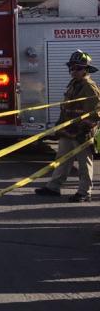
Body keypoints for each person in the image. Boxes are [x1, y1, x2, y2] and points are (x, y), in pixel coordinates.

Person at [35, 50, 100, 202]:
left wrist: (85, 128)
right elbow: (66, 108)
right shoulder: (73, 85)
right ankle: (54, 187)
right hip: (68, 131)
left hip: (82, 133)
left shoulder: (90, 88)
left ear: (86, 69)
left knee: (84, 163)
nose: (73, 71)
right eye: (71, 67)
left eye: (77, 68)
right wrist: (59, 126)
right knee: (62, 159)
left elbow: (95, 113)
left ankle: (84, 192)